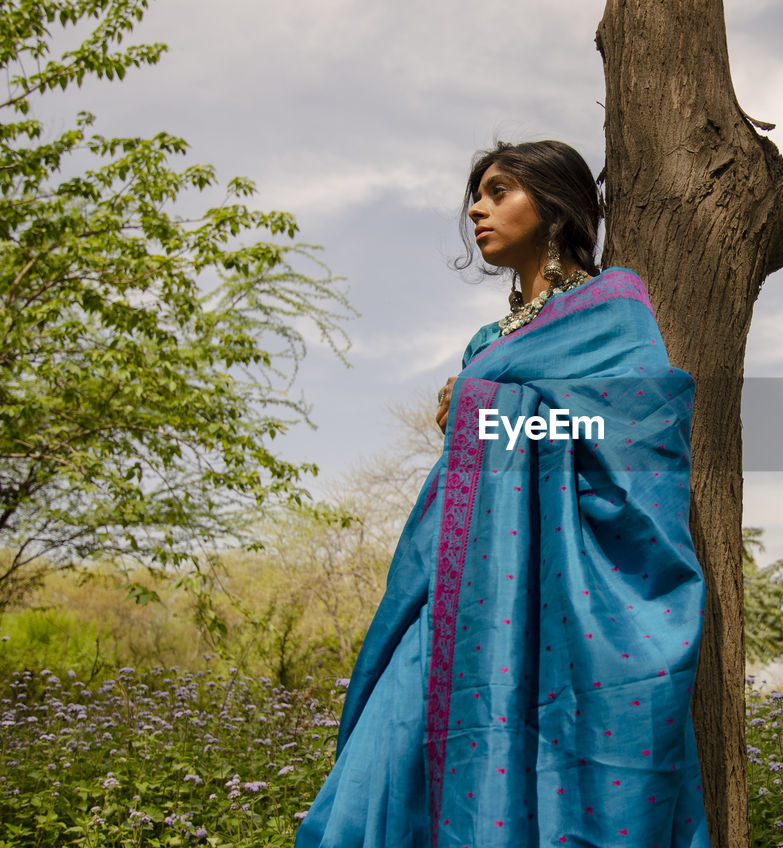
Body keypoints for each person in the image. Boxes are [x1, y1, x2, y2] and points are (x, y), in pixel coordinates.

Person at [294, 140, 710, 848]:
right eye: (476, 195)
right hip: (462, 589)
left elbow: (638, 428)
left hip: (565, 598)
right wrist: (478, 407)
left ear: (554, 207)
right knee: (373, 774)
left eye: (497, 191)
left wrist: (482, 407)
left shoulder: (613, 305)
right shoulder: (488, 338)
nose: (476, 209)